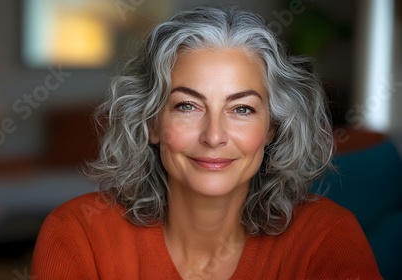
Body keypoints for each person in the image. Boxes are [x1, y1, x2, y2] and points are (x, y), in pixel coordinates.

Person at [31, 6, 382, 279]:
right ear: (152, 122)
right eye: (187, 106)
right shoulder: (79, 234)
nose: (214, 136)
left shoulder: (326, 237)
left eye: (242, 108)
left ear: (272, 128)